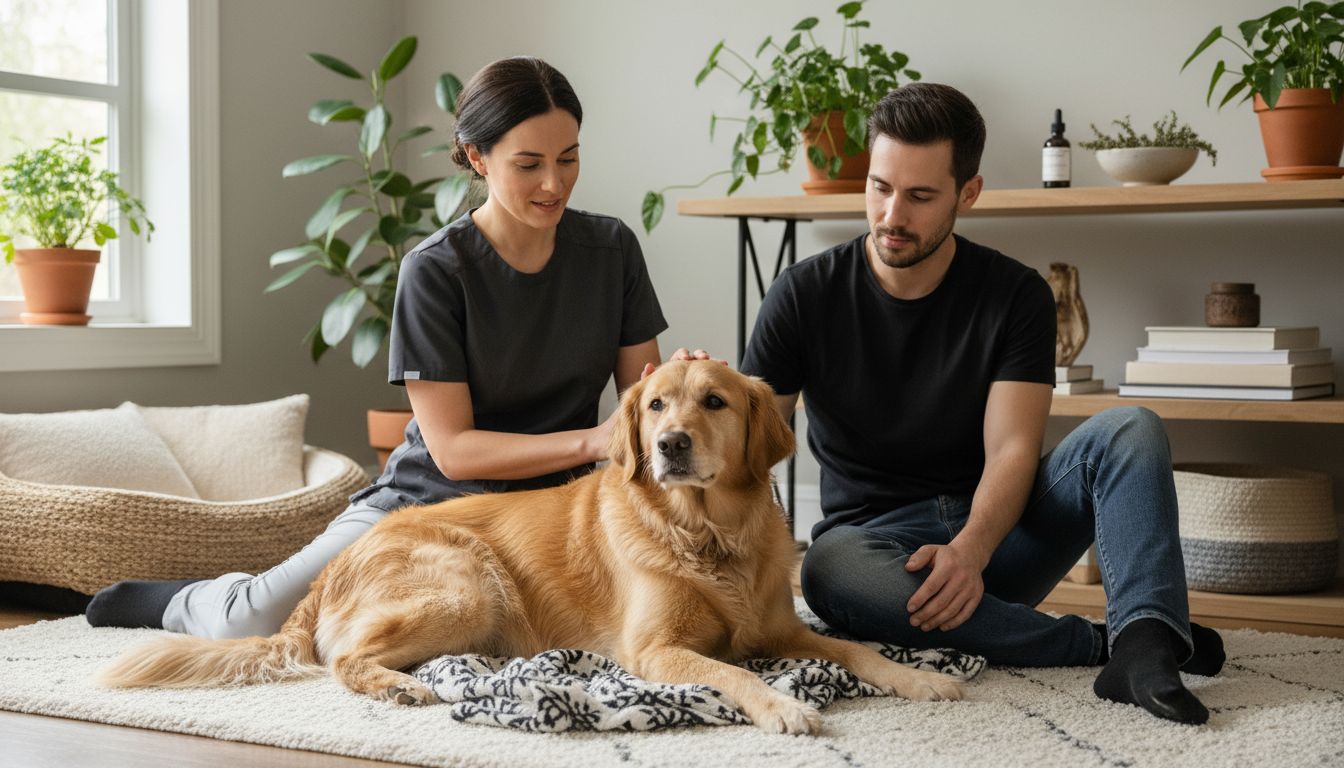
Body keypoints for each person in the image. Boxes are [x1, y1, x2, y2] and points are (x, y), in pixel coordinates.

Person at [85, 56, 668, 639]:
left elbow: (643, 400)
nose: (554, 183)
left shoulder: (611, 249)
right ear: (476, 157)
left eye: (569, 158)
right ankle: (190, 598)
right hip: (429, 501)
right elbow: (455, 452)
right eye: (529, 164)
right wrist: (592, 440)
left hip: (549, 513)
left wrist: (681, 393)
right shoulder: (436, 270)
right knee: (256, 620)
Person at [740, 82, 1225, 725]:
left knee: (1130, 429)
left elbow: (1014, 449)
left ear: (968, 193)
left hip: (1000, 535)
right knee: (828, 571)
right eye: (880, 188)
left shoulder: (1016, 295)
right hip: (877, 552)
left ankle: (1133, 632)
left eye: (919, 196)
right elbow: (749, 443)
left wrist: (970, 551)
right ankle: (1122, 644)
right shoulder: (801, 295)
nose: (891, 215)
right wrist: (699, 395)